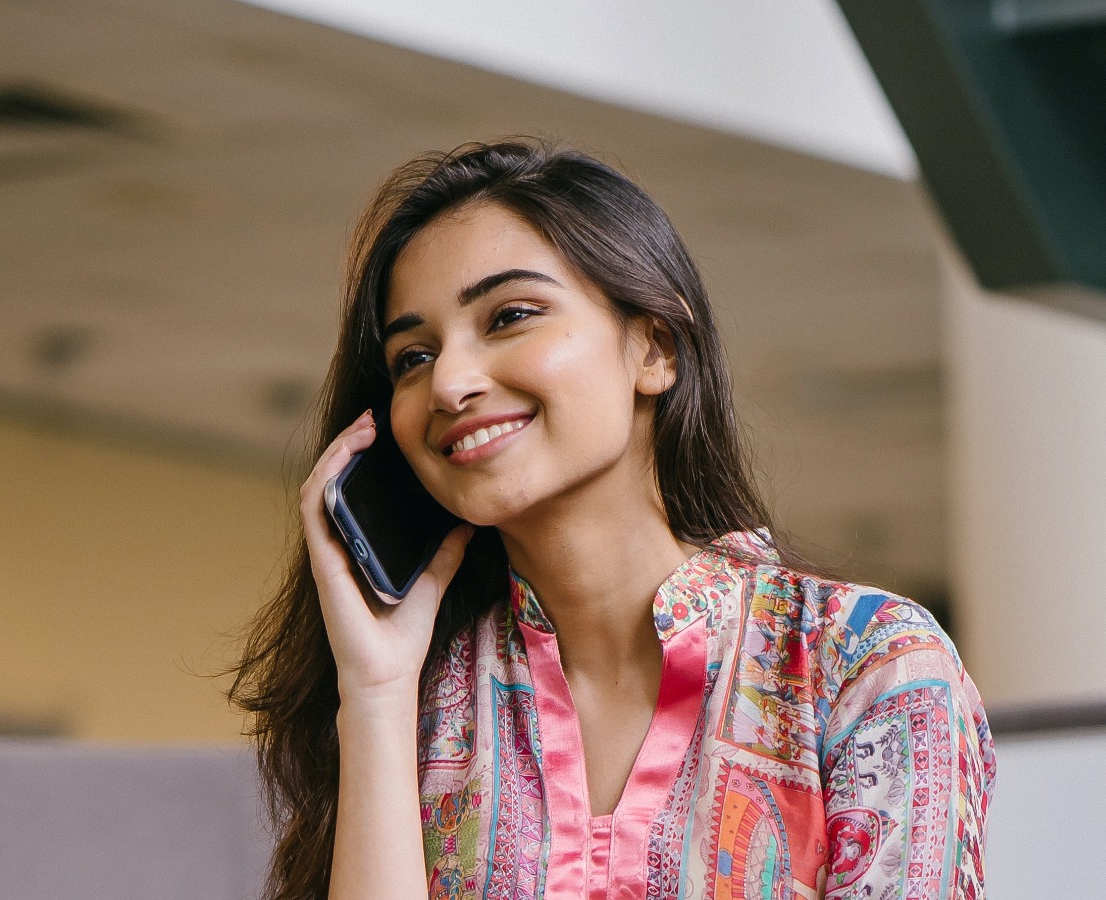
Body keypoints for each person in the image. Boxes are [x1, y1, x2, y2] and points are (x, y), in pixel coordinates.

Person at [227, 138, 994, 900]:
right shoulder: (423, 707)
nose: (451, 383)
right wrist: (375, 690)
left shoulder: (865, 665)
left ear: (654, 347)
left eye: (510, 316)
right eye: (412, 358)